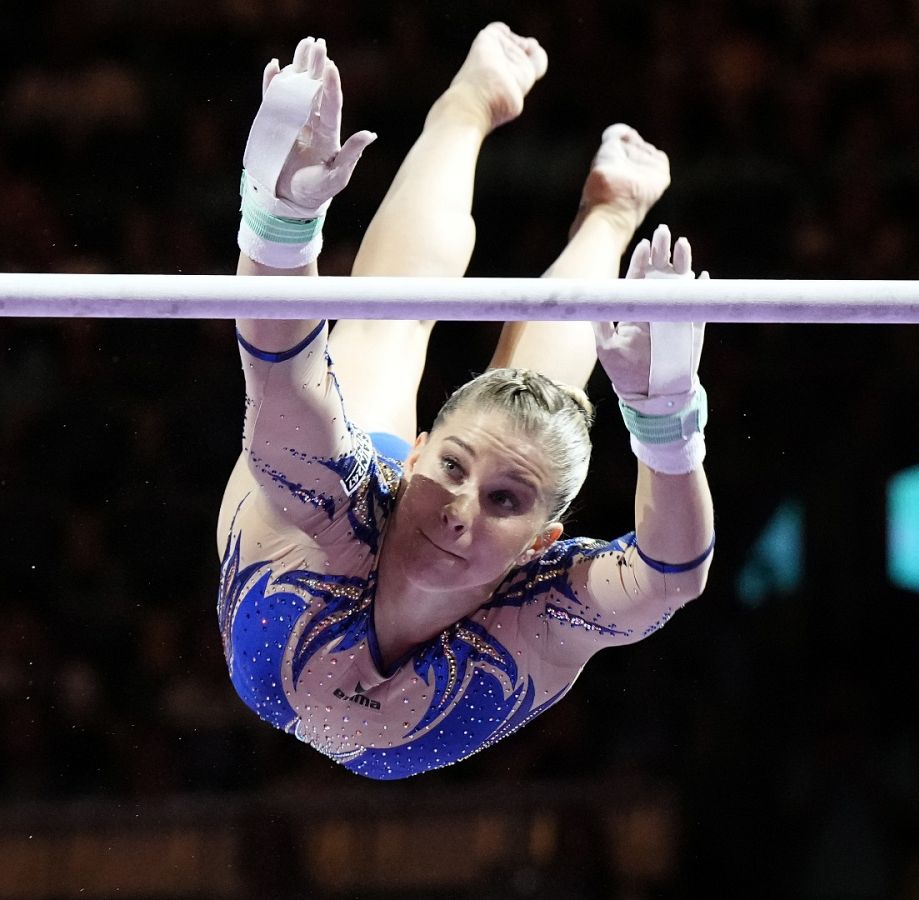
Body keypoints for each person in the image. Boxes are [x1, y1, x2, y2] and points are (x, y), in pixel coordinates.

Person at [217, 33, 714, 779]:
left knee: (538, 423)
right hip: (359, 513)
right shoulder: (326, 501)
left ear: (542, 542)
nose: (459, 508)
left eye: (504, 502)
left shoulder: (537, 617)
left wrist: (666, 423)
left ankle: (611, 213)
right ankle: (476, 102)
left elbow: (667, 580)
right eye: (451, 466)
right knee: (388, 324)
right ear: (417, 451)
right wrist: (281, 220)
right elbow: (281, 367)